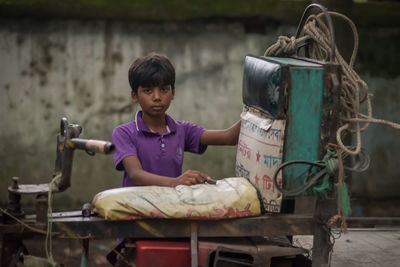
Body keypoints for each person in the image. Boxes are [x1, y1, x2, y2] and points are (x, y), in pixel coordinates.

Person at [112, 52, 241, 188]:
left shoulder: (182, 130)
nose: (157, 97)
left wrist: (255, 109)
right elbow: (136, 175)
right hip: (136, 207)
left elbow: (229, 137)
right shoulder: (123, 133)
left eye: (164, 89)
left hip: (171, 207)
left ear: (172, 93)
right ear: (135, 96)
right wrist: (176, 182)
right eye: (148, 91)